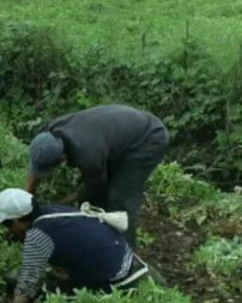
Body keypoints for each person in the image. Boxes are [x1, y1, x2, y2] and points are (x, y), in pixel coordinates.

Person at [0, 188, 150, 303]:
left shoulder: (37, 236)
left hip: (114, 278)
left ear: (19, 219)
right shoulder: (51, 210)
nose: (8, 230)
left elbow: (28, 281)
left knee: (45, 295)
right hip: (124, 257)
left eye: (7, 224)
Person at [25, 104, 168, 246]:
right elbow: (36, 166)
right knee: (98, 196)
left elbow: (94, 193)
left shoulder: (88, 156)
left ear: (62, 158)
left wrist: (58, 206)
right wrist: (27, 199)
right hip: (121, 131)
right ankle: (101, 239)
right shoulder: (48, 134)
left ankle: (126, 255)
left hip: (149, 139)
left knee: (119, 200)